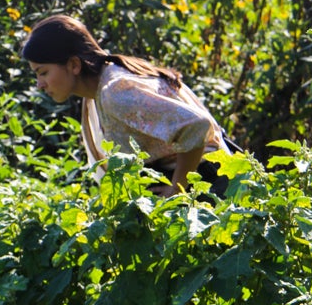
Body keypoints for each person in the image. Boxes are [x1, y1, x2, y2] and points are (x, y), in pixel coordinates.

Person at [21, 14, 230, 197]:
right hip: (199, 181)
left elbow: (197, 126)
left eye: (43, 72)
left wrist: (177, 189)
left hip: (210, 184)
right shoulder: (101, 88)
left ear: (74, 65)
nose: (40, 84)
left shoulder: (115, 92)